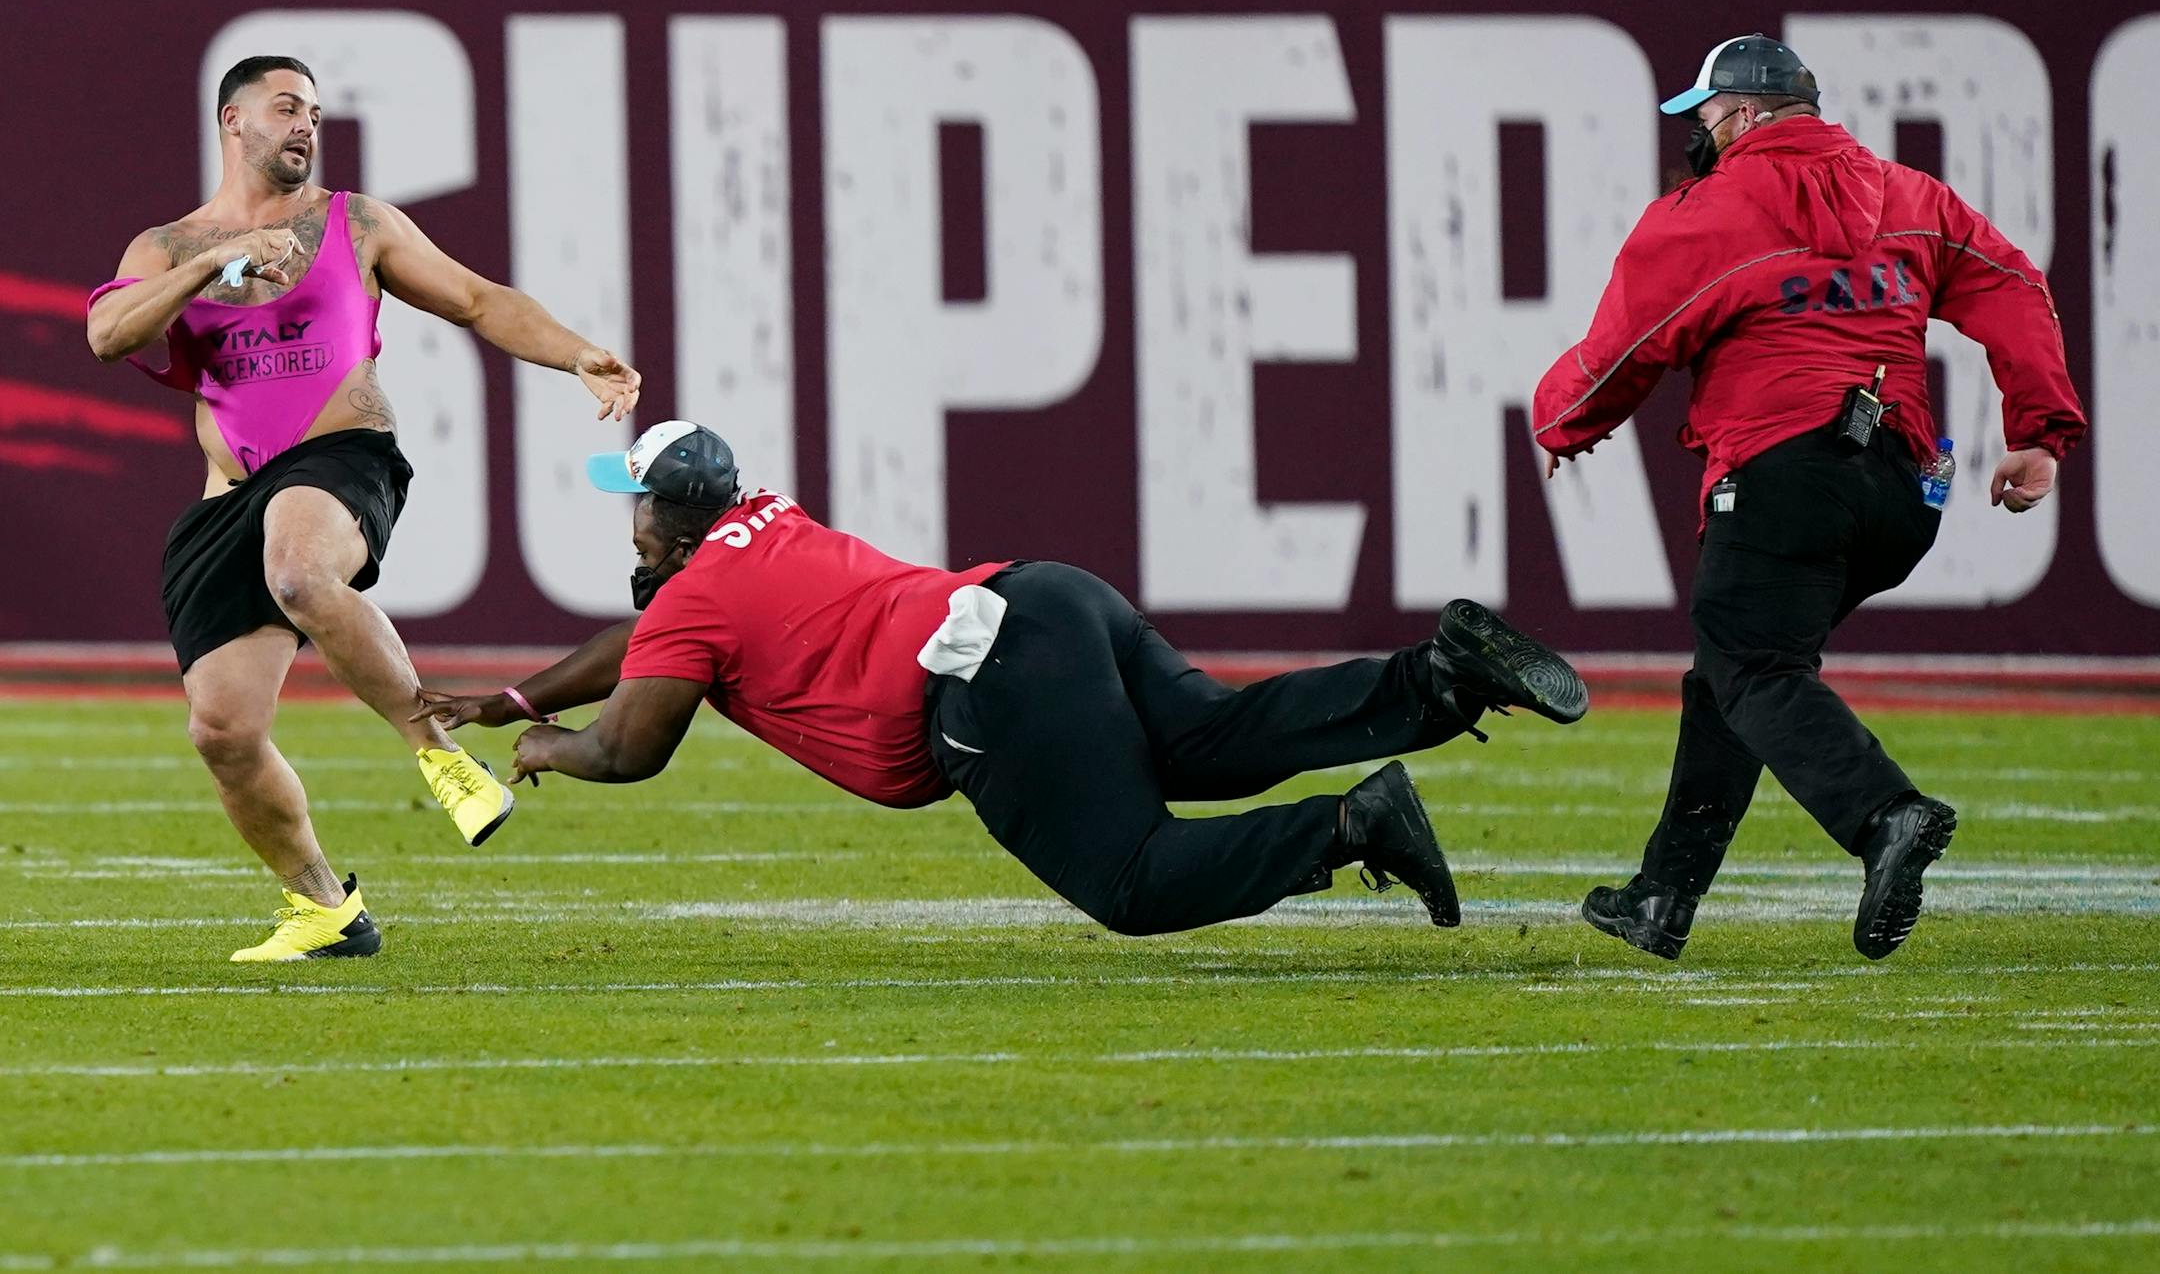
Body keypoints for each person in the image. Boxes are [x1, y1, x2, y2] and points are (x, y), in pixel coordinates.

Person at [416, 421, 1592, 937]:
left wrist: (542, 750)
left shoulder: (691, 594)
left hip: (978, 683)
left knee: (1130, 880)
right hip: (1047, 597)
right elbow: (652, 644)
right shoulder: (753, 527)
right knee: (1209, 736)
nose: (623, 525)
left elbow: (633, 744)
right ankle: (1438, 680)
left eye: (632, 506)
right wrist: (524, 694)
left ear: (664, 522)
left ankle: (1351, 825)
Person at [1532, 33, 2086, 962]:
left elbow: (1626, 347)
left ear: (1745, 115)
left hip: (1786, 476)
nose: (1698, 132)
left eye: (1705, 115)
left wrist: (1562, 423)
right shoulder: (1909, 196)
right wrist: (2039, 430)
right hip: (1902, 495)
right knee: (1736, 669)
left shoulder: (1710, 210)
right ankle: (1663, 896)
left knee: (1751, 665)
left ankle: (1885, 816)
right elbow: (2014, 283)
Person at [86, 55, 642, 962]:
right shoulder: (169, 247)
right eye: (285, 107)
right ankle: (324, 907)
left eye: (314, 110)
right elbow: (109, 335)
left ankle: (440, 755)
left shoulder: (357, 222)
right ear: (234, 121)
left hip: (343, 460)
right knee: (223, 731)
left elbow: (475, 299)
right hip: (227, 502)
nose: (306, 124)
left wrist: (577, 353)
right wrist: (214, 264)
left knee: (301, 569)